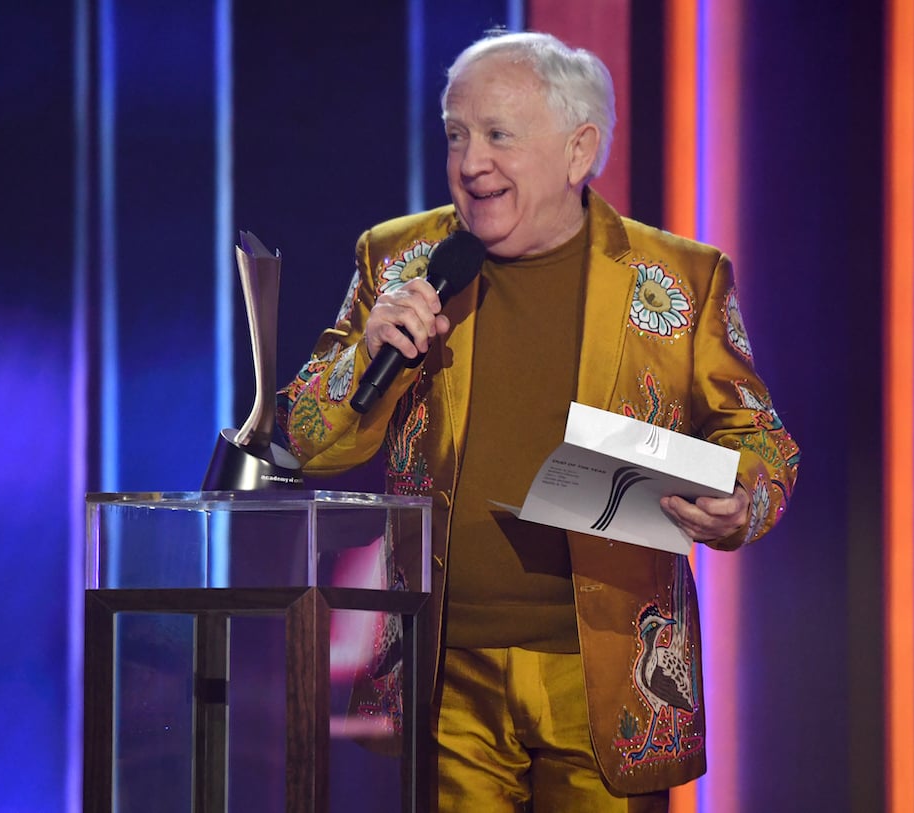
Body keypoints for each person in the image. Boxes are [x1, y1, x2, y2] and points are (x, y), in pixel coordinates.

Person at [277, 30, 799, 812]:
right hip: (446, 669)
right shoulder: (401, 261)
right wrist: (368, 360)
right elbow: (305, 441)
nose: (470, 162)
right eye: (457, 134)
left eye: (498, 136)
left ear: (578, 150)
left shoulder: (679, 278)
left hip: (608, 669)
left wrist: (741, 500)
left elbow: (760, 439)